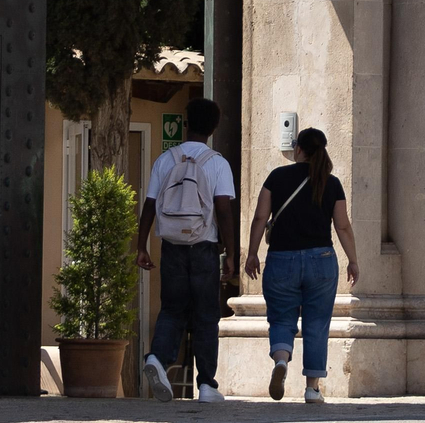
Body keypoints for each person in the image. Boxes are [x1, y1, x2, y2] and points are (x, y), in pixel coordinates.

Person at [242, 127, 358, 404]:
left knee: (282, 317)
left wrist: (252, 253)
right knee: (317, 323)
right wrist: (353, 260)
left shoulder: (276, 177)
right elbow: (342, 226)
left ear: (298, 149)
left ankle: (281, 360)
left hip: (281, 259)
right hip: (322, 260)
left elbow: (260, 218)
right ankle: (312, 388)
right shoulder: (331, 183)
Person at [136, 97, 238, 403]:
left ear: (186, 123)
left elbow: (150, 205)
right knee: (206, 314)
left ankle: (158, 358)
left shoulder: (165, 160)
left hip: (172, 247)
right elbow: (223, 210)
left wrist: (141, 246)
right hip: (204, 246)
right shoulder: (217, 163)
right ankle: (206, 385)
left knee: (172, 308)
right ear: (214, 127)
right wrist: (231, 253)